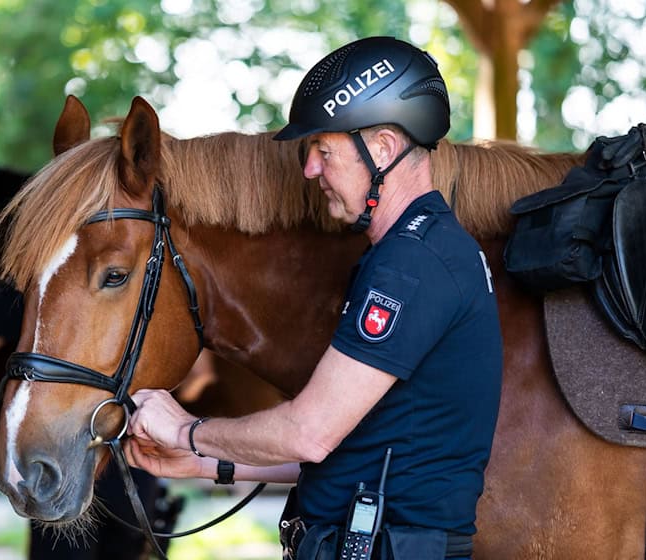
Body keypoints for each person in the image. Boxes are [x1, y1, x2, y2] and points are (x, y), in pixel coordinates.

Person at [123, 36, 503, 560]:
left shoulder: (412, 264)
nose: (310, 170)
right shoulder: (416, 250)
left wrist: (186, 429)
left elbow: (310, 434)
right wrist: (205, 463)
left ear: (385, 149)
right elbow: (355, 447)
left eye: (324, 151)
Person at [0, 281, 175, 560]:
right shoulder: (148, 282)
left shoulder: (43, 278)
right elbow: (195, 379)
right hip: (134, 455)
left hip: (65, 453)